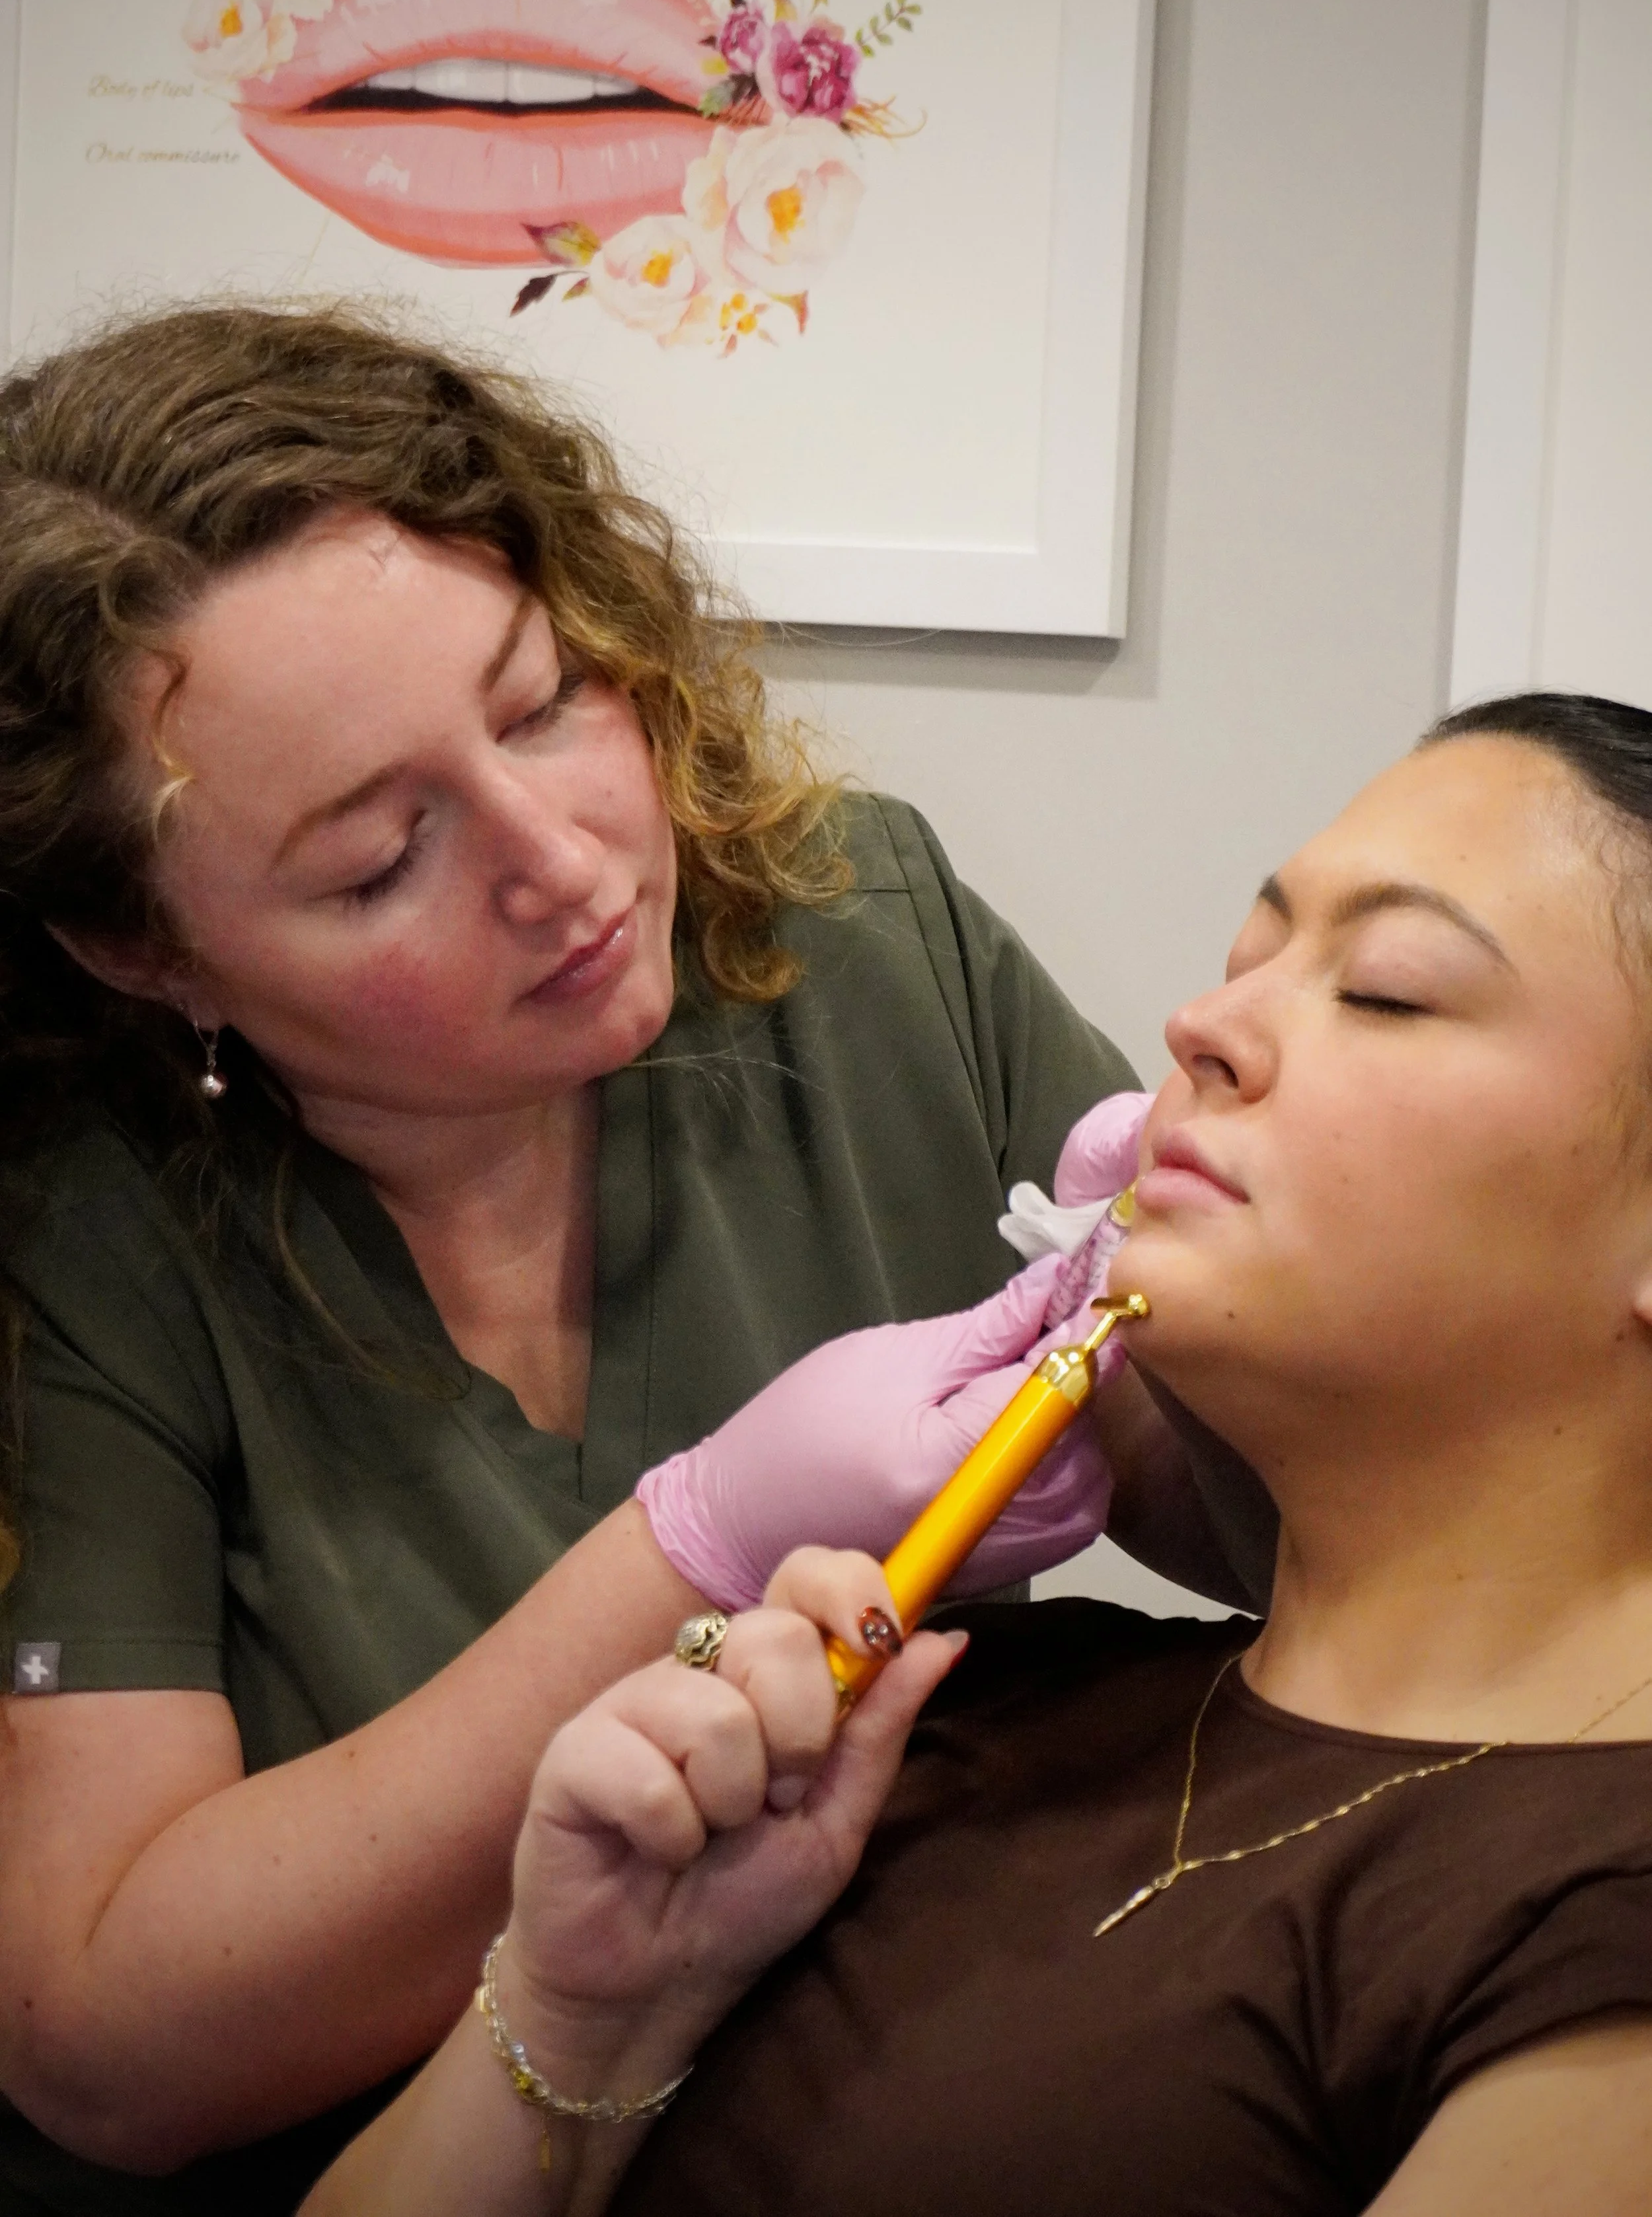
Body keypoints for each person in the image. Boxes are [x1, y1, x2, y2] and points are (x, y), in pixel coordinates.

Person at [0, 301, 1221, 2216]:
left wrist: (1289, 1295)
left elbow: (1299, 1529)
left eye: (542, 696)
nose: (565, 862)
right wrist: (694, 1547)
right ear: (145, 949)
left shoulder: (856, 942)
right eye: (375, 857)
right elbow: (102, 2038)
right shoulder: (81, 1219)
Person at [305, 691, 1652, 2217]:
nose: (1200, 1031)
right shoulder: (921, 1721)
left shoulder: (1595, 1917)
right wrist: (579, 2013)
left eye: (1386, 993)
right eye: (1245, 957)